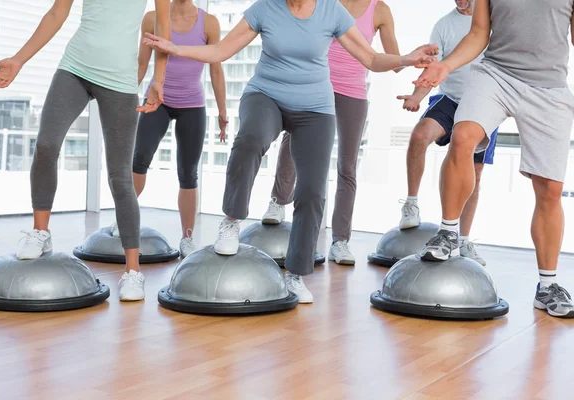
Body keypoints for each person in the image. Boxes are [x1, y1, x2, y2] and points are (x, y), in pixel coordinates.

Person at [143, 0, 437, 303]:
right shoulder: (266, 8)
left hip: (315, 109)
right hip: (265, 95)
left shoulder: (331, 11)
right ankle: (231, 222)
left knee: (311, 190)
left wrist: (406, 58)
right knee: (251, 138)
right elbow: (221, 51)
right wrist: (176, 48)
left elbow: (371, 58)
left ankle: (296, 274)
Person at [0, 0, 171, 301]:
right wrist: (19, 59)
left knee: (119, 177)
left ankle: (133, 271)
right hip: (75, 68)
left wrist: (158, 80)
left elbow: (163, 28)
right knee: (46, 145)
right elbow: (58, 11)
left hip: (120, 80)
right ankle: (40, 233)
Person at [415, 0, 574, 317]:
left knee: (550, 189)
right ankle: (449, 231)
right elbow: (478, 34)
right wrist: (446, 65)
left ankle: (547, 286)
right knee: (462, 136)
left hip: (549, 88)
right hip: (496, 75)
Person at [260, 0, 401, 266]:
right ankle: (278, 202)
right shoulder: (325, 4)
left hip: (353, 92)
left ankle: (340, 241)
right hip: (315, 83)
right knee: (292, 141)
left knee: (347, 166)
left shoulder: (380, 10)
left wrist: (412, 59)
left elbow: (393, 61)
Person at [111, 0, 228, 259]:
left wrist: (222, 112)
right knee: (139, 159)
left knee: (188, 173)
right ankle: (123, 221)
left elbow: (216, 70)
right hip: (156, 102)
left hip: (193, 105)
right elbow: (142, 64)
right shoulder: (151, 18)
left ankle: (187, 238)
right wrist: (127, 101)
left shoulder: (209, 23)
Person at [396, 0, 498, 266]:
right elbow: (433, 68)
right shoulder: (443, 25)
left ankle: (463, 241)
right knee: (419, 135)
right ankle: (411, 204)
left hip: (485, 103)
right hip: (450, 99)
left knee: (474, 172)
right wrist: (417, 96)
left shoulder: (493, 20)